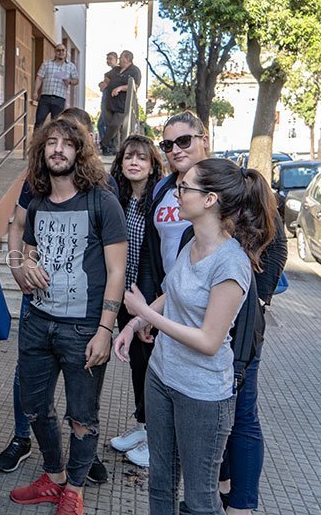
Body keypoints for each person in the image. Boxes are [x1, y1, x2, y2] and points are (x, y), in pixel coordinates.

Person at [115, 158, 277, 515]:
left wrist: (146, 314)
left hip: (203, 395)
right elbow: (174, 290)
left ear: (209, 200)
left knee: (201, 499)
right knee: (160, 482)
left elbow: (209, 340)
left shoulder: (231, 263)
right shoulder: (191, 240)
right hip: (161, 377)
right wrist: (132, 325)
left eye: (185, 188)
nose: (177, 193)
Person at [9, 118, 127, 515]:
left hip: (83, 329)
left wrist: (105, 331)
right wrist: (24, 268)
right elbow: (27, 252)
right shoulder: (38, 201)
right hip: (38, 323)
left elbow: (116, 272)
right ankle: (54, 476)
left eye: (67, 144)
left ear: (80, 152)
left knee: (82, 416)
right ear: (42, 153)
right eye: (51, 143)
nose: (58, 149)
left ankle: (75, 489)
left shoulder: (101, 201)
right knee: (34, 406)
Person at [106, 135, 164, 467]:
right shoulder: (120, 199)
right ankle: (142, 427)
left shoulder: (156, 204)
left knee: (152, 367)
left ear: (152, 164)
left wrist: (146, 310)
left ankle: (157, 439)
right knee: (137, 366)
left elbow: (153, 259)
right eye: (129, 157)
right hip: (122, 294)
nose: (134, 163)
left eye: (142, 158)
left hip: (147, 299)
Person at [100, 50, 141, 155]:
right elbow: (107, 78)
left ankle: (103, 144)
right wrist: (104, 84)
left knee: (115, 125)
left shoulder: (134, 70)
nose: (119, 60)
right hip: (109, 103)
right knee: (112, 128)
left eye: (121, 58)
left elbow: (135, 86)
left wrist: (120, 88)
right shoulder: (116, 69)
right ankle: (114, 150)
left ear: (127, 59)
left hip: (122, 105)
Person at [32, 44, 79, 128]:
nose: (61, 52)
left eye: (63, 50)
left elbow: (76, 80)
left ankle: (53, 141)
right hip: (45, 98)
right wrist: (35, 91)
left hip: (59, 99)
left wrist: (70, 81)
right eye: (58, 50)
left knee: (56, 124)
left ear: (65, 52)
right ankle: (36, 141)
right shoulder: (47, 64)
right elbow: (39, 78)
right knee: (39, 121)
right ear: (55, 52)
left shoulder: (71, 66)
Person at [97, 52, 120, 153]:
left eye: (110, 59)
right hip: (106, 102)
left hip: (110, 104)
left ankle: (109, 147)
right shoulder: (109, 73)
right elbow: (103, 87)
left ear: (116, 60)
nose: (108, 61)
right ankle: (108, 146)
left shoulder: (117, 72)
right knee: (101, 125)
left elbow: (105, 86)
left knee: (107, 125)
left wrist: (104, 84)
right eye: (107, 59)